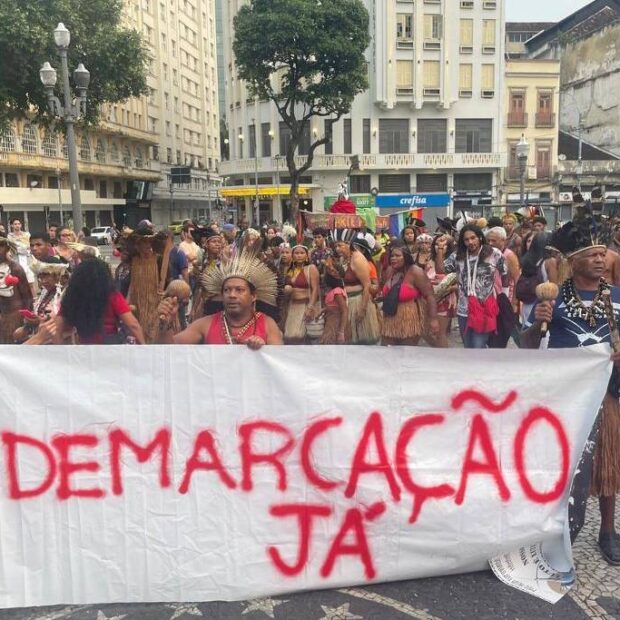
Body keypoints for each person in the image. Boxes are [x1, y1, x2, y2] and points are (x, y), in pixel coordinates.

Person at [521, 213, 620, 564]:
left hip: (606, 394)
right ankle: (550, 524)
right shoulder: (554, 297)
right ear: (573, 260)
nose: (600, 258)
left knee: (608, 464)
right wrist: (538, 323)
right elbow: (529, 346)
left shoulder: (617, 297)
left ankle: (607, 531)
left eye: (602, 253)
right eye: (592, 254)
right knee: (561, 464)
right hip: (563, 399)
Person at [157, 252, 282, 348]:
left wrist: (264, 350)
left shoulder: (267, 324)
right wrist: (165, 324)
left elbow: (280, 364)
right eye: (227, 290)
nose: (232, 295)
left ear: (253, 296)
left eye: (239, 290)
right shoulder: (205, 324)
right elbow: (169, 349)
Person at [435, 223, 508, 349]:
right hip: (464, 310)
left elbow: (505, 273)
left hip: (485, 309)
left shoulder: (493, 253)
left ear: (480, 237)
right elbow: (440, 270)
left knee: (477, 346)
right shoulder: (458, 255)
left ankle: (480, 367)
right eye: (466, 239)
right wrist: (440, 250)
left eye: (473, 238)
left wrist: (505, 297)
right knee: (468, 347)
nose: (470, 242)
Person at [55, 259, 145, 345]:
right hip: (109, 348)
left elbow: (57, 327)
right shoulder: (112, 296)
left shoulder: (72, 297)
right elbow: (133, 324)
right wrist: (145, 347)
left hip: (84, 348)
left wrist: (60, 350)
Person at [380, 245, 439, 345]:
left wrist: (433, 319)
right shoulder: (390, 271)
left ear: (406, 257)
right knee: (387, 352)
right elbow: (390, 293)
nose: (393, 258)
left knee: (406, 353)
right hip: (389, 319)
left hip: (409, 319)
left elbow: (430, 296)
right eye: (392, 256)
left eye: (398, 255)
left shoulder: (415, 271)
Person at [333, 230, 381, 345]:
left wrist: (362, 310)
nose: (337, 249)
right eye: (335, 246)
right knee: (349, 342)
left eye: (340, 245)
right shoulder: (343, 258)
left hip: (358, 302)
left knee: (362, 343)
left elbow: (367, 285)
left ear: (348, 243)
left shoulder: (358, 259)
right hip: (347, 303)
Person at [282, 245, 320, 343]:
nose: (299, 255)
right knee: (289, 336)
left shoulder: (311, 268)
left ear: (307, 256)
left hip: (305, 306)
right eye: (296, 253)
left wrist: (310, 308)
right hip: (292, 307)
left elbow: (315, 289)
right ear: (293, 256)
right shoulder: (290, 270)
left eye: (302, 253)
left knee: (300, 336)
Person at [0, 237, 33, 344]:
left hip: (13, 316)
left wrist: (26, 322)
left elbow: (27, 297)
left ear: (7, 248)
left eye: (1, 246)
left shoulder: (16, 268)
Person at [320, 269, 349, 344]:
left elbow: (344, 310)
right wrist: (322, 311)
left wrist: (341, 332)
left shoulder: (337, 292)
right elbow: (334, 307)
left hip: (336, 324)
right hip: (330, 322)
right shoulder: (332, 291)